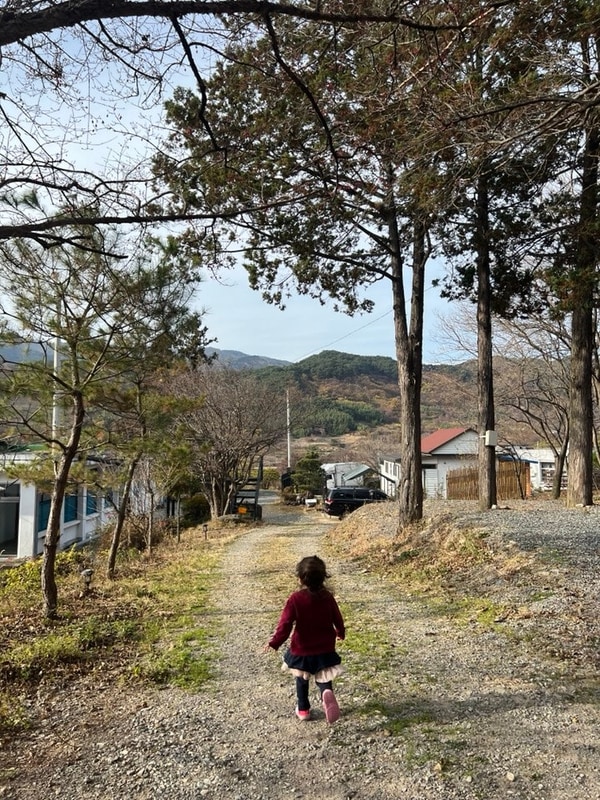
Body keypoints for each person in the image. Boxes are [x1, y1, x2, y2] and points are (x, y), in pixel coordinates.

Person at [264, 555, 345, 723]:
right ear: (324, 577)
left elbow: (285, 625)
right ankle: (325, 694)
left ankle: (303, 710)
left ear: (301, 578)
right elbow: (337, 617)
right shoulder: (327, 597)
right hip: (325, 648)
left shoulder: (295, 599)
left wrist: (275, 642)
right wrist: (340, 632)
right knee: (324, 675)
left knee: (301, 679)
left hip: (302, 649)